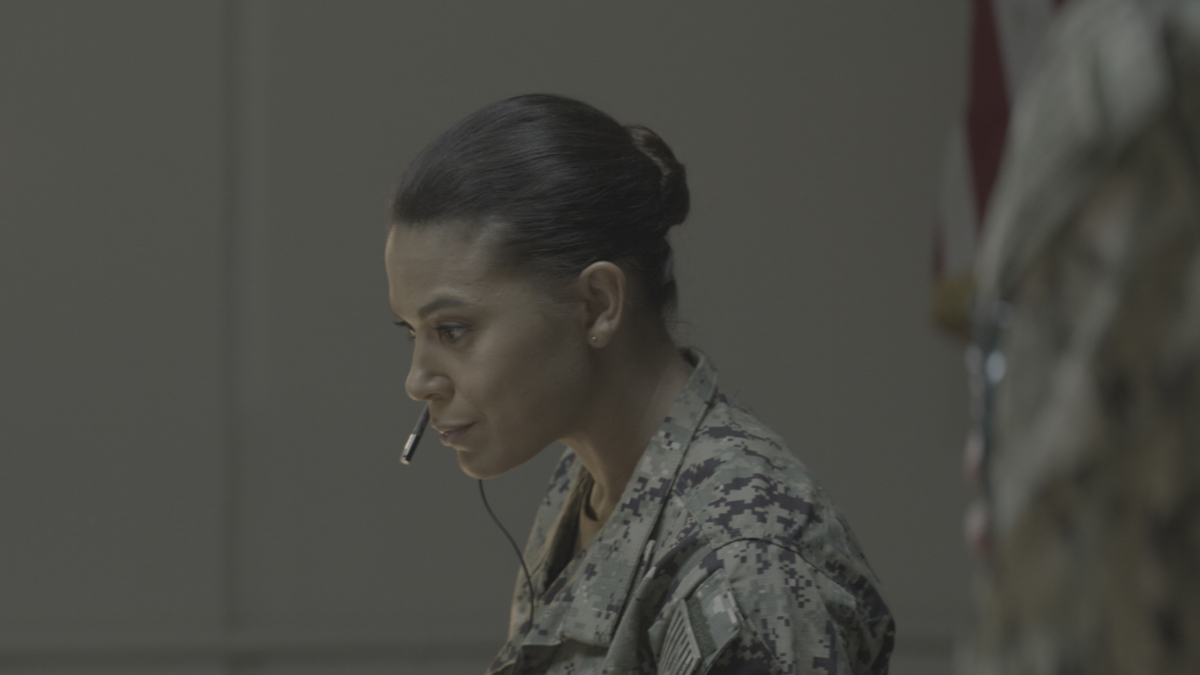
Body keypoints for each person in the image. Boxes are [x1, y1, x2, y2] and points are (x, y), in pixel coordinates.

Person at [385, 94, 894, 675]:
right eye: (412, 332)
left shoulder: (743, 562)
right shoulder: (589, 478)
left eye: (452, 330)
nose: (417, 382)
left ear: (597, 305)